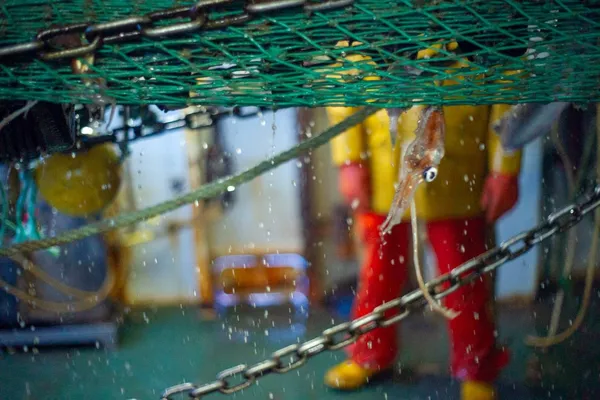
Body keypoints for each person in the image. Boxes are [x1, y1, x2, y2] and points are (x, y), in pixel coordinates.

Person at [324, 42, 522, 400]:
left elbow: (508, 76)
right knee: (377, 270)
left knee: (464, 273)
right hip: (382, 162)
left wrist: (505, 166)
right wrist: (349, 158)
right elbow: (346, 71)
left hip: (461, 163)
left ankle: (476, 365)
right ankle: (370, 353)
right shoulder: (364, 15)